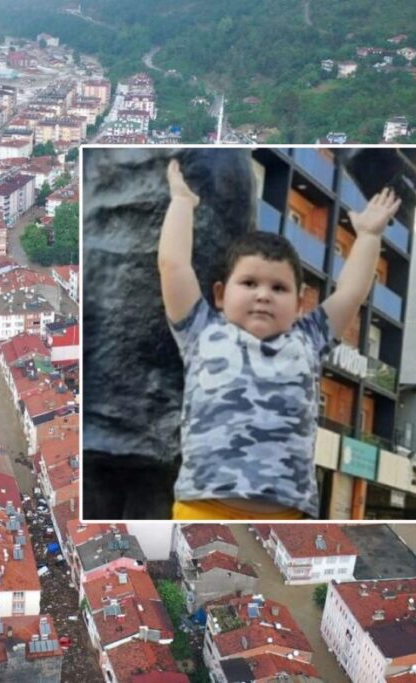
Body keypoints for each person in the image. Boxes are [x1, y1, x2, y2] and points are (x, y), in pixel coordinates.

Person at [158, 159, 402, 520]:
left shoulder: (309, 338)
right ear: (221, 294)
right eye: (250, 283)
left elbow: (350, 294)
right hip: (204, 507)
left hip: (288, 516)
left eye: (278, 287)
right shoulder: (201, 331)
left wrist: (368, 236)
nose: (264, 295)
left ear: (300, 303)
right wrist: (181, 202)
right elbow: (174, 265)